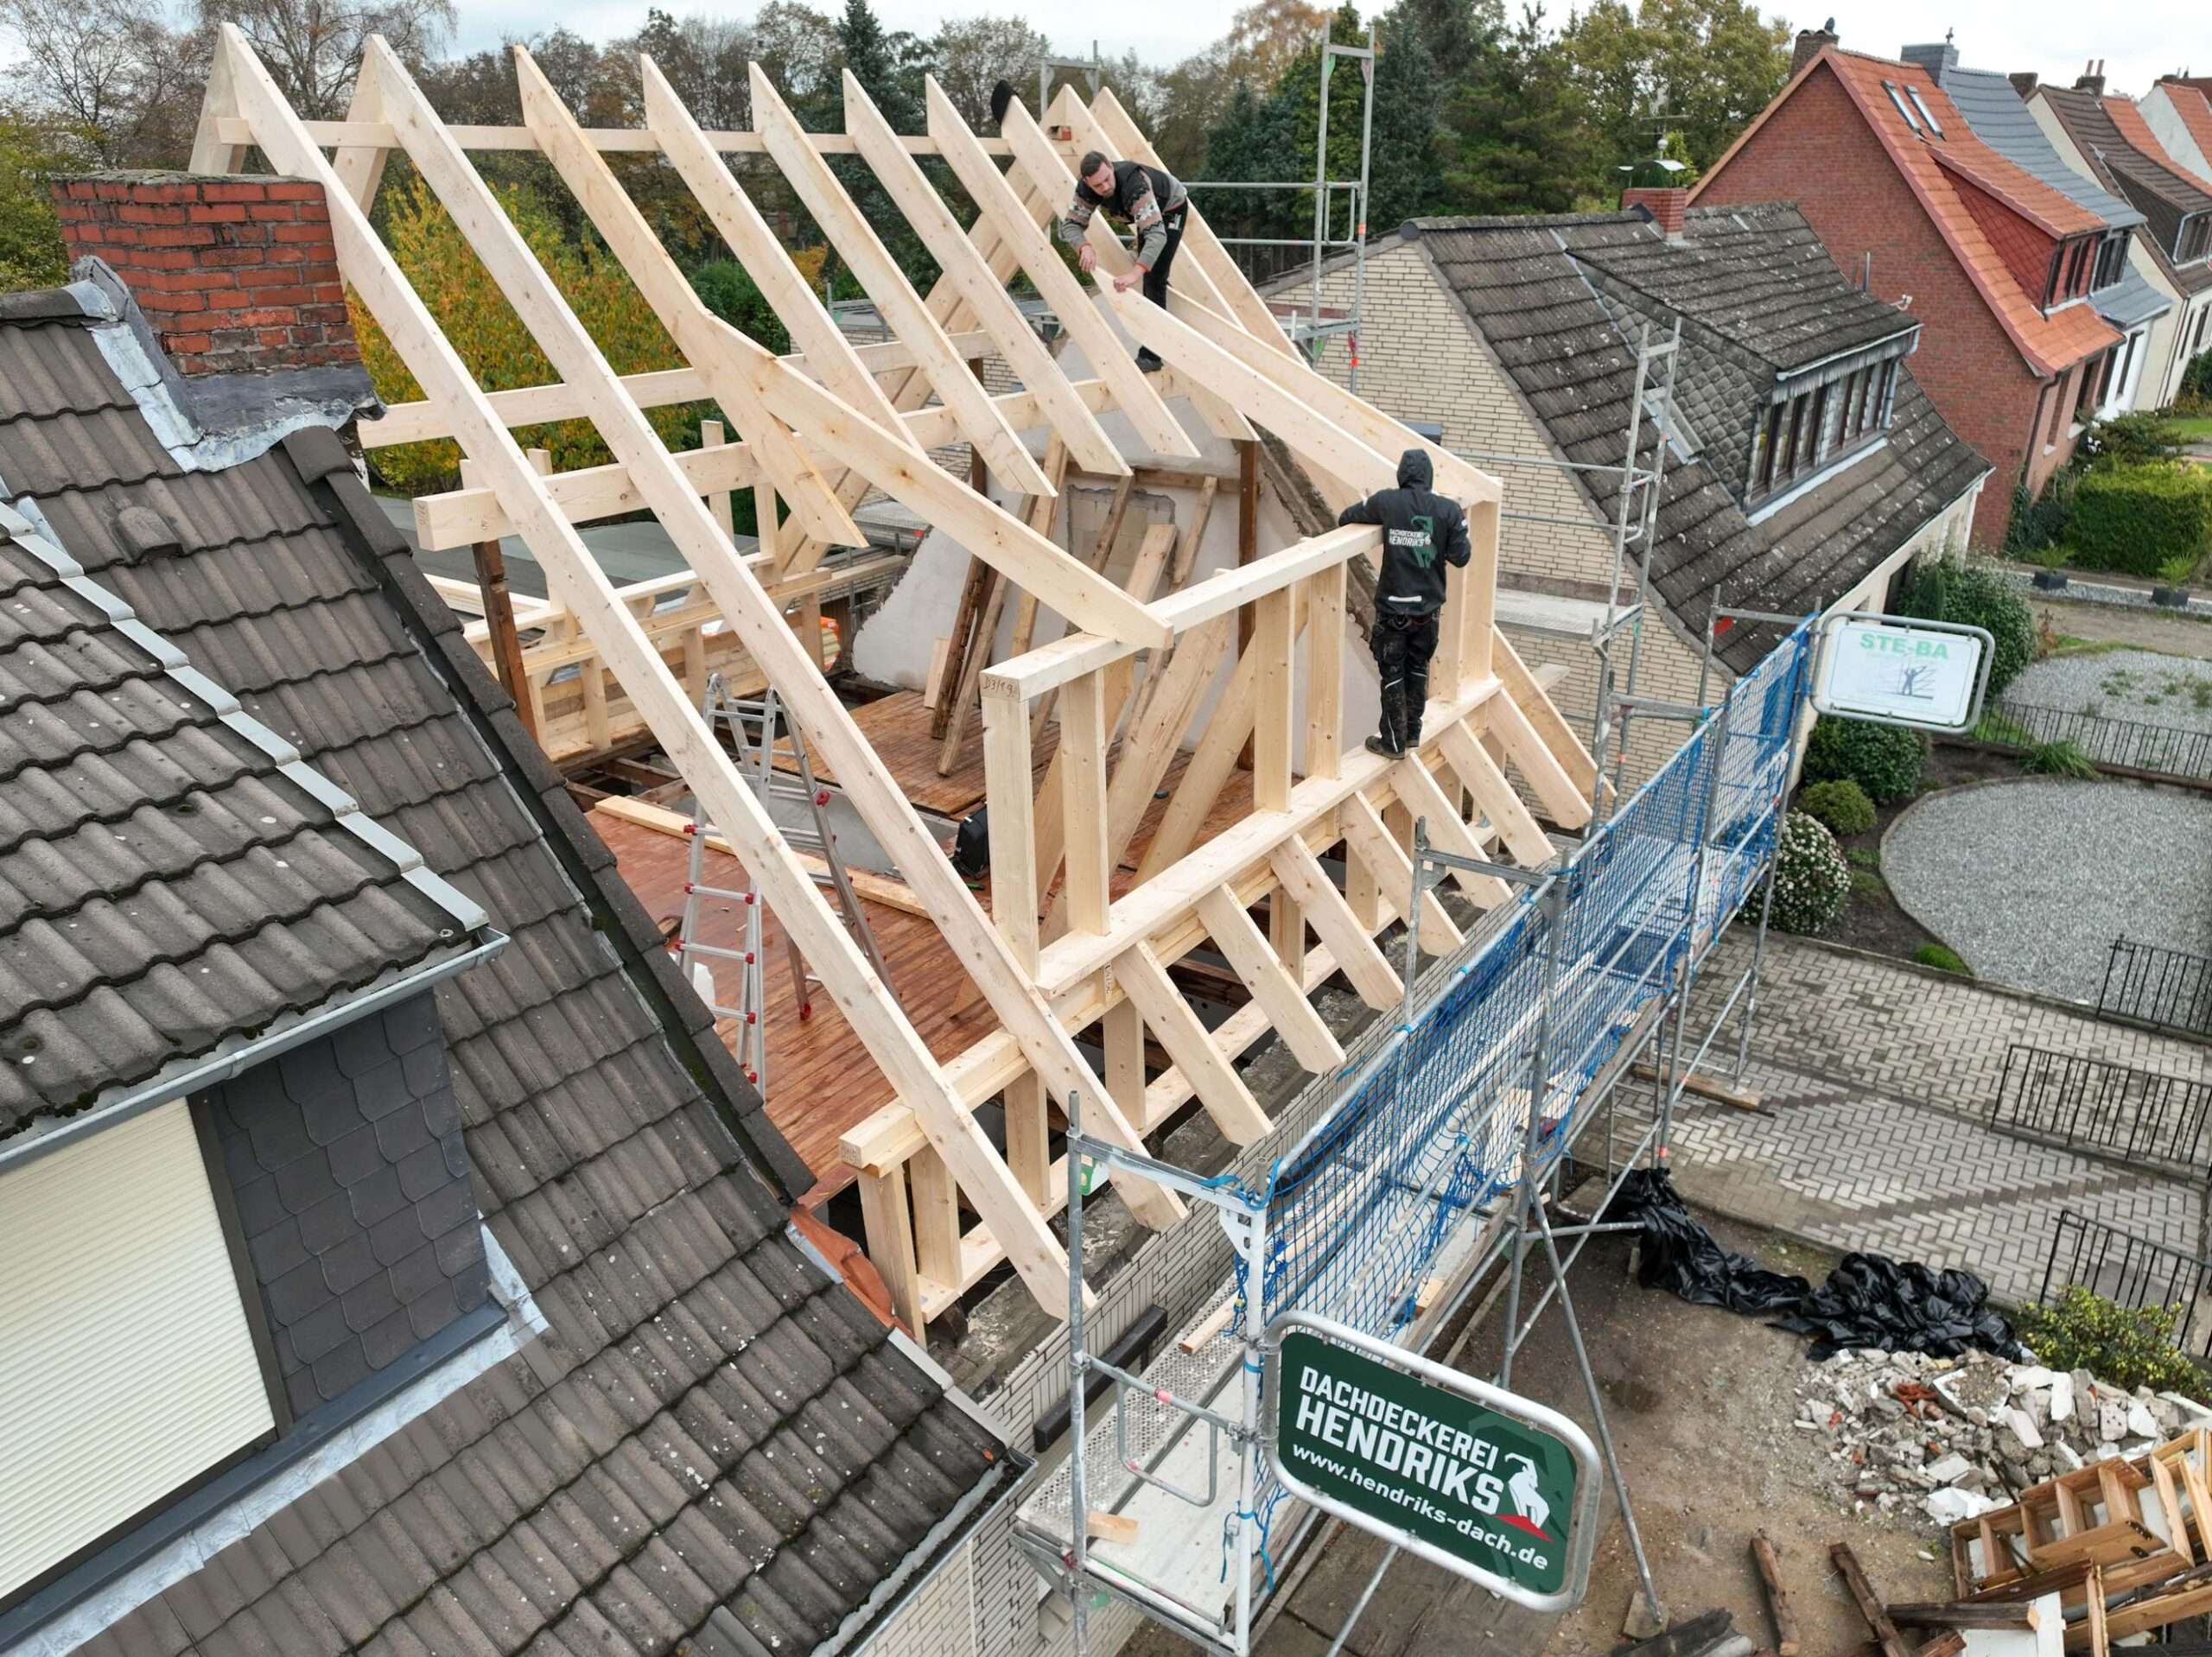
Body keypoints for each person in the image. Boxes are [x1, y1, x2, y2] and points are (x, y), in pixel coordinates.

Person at [1337, 449, 1471, 757]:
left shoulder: (1387, 502)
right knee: (1418, 667)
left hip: (1394, 611)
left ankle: (1392, 743)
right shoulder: (1447, 510)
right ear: (1429, 476)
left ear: (1402, 475)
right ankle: (1411, 733)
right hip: (1427, 612)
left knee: (1393, 673)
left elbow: (1347, 517)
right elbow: (1461, 556)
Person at [1059, 149, 1188, 371]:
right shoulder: (1086, 190)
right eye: (1098, 186)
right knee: (1150, 269)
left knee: (1153, 275)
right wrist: (1084, 246)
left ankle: (1152, 356)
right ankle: (1158, 299)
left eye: (1107, 180)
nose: (1105, 187)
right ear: (1088, 183)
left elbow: (1157, 235)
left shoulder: (1134, 185)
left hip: (1170, 207)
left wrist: (1136, 272)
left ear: (1110, 166)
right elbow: (1070, 225)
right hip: (1143, 216)